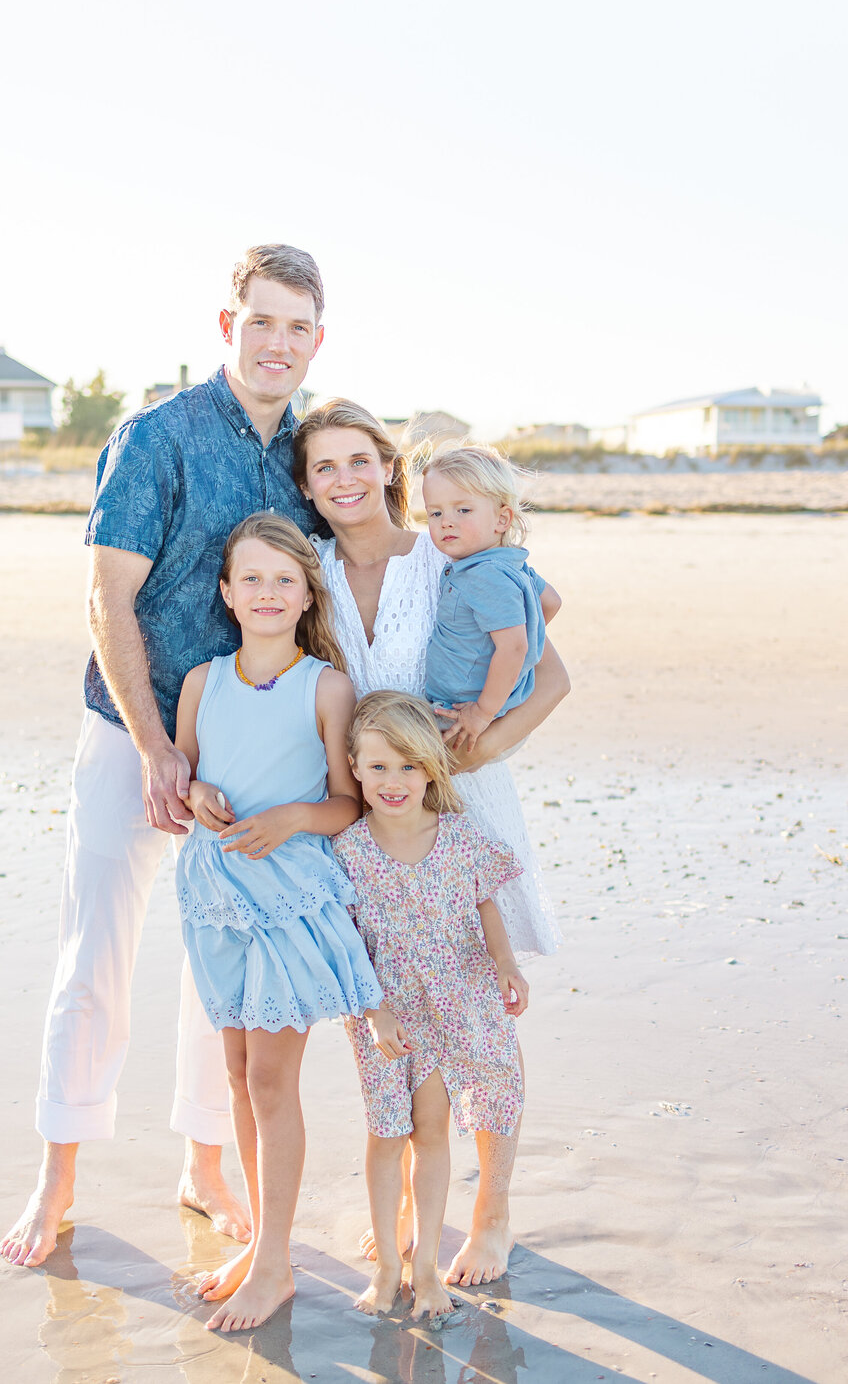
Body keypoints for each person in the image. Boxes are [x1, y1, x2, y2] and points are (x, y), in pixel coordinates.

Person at [0, 244, 327, 1269]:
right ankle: (56, 1181)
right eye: (262, 321)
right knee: (94, 955)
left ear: (318, 341)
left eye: (298, 327)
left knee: (218, 967)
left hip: (243, 747)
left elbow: (363, 559)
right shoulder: (158, 435)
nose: (278, 343)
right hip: (128, 738)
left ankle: (204, 1162)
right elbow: (106, 595)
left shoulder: (309, 453)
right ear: (228, 327)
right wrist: (152, 747)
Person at [294, 398, 570, 1285]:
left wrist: (485, 742)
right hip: (376, 818)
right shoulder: (313, 574)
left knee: (480, 1014)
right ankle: (418, 1203)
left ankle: (492, 1208)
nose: (343, 482)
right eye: (322, 468)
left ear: (388, 470)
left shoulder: (445, 554)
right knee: (400, 1015)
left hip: (465, 800)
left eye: (359, 463)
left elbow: (549, 664)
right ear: (307, 486)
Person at [176, 514, 381, 1331]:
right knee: (235, 1073)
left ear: (306, 595)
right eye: (250, 578)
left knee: (270, 1079)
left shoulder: (324, 686)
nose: (266, 592)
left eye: (283, 580)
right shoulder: (201, 680)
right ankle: (264, 1242)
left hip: (290, 898)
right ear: (227, 593)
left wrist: (293, 816)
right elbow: (189, 776)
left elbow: (347, 802)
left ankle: (276, 1264)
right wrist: (196, 796)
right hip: (216, 894)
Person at [334, 691, 528, 1320]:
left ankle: (425, 1270)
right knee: (387, 1133)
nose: (395, 781)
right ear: (355, 767)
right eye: (380, 766)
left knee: (434, 1131)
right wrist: (372, 1010)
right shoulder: (348, 851)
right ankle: (388, 1266)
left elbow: (485, 904)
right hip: (385, 1015)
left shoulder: (459, 836)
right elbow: (344, 944)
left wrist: (505, 963)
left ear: (433, 770)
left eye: (410, 766)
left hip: (450, 1005)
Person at [421, 443, 559, 755]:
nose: (446, 521)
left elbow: (513, 646)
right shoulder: (509, 563)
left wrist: (483, 711)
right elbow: (551, 601)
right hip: (483, 705)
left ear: (501, 519)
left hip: (462, 714)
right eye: (435, 512)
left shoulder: (485, 576)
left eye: (463, 510)